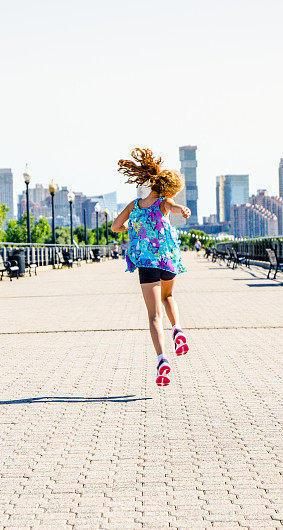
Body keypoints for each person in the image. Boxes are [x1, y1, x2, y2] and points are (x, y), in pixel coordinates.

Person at [112, 148, 190, 387]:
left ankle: (162, 359)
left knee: (153, 316)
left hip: (146, 264)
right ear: (165, 188)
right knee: (169, 297)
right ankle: (177, 329)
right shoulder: (164, 203)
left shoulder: (134, 205)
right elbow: (176, 208)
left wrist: (133, 228)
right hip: (167, 260)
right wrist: (182, 210)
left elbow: (116, 227)